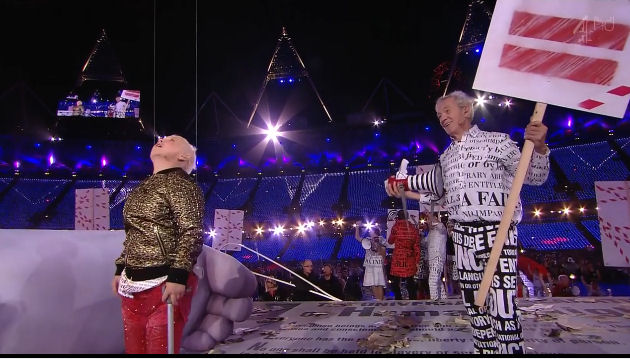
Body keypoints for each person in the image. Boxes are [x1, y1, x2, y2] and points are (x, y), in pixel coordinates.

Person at [386, 90, 549, 354]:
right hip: (462, 239)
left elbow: (534, 176)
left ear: (466, 110)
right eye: (439, 115)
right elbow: (434, 187)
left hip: (497, 235)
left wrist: (540, 147)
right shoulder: (447, 157)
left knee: (503, 308)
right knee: (475, 309)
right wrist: (400, 184)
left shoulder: (499, 143)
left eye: (447, 111)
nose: (442, 118)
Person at [111, 134, 204, 354]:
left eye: (171, 139)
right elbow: (134, 234)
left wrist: (179, 274)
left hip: (165, 283)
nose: (162, 138)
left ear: (183, 156)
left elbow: (191, 231)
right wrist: (121, 268)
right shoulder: (141, 188)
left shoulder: (183, 185)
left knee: (160, 349)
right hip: (133, 285)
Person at [387, 210, 421, 300]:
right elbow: (417, 246)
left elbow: (390, 241)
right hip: (409, 257)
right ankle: (413, 300)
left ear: (398, 217)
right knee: (410, 280)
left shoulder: (396, 227)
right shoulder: (413, 228)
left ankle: (398, 299)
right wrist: (417, 261)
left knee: (396, 281)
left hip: (398, 257)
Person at [354, 222, 387, 300]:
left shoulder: (381, 239)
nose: (369, 231)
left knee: (379, 283)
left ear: (375, 232)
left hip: (378, 264)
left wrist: (377, 243)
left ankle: (381, 300)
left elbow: (383, 252)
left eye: (371, 230)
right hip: (369, 264)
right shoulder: (367, 240)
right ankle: (378, 300)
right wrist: (357, 226)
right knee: (372, 283)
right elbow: (357, 237)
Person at [426, 213, 448, 300]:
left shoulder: (441, 228)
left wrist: (430, 215)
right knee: (437, 280)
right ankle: (443, 298)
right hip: (431, 259)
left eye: (428, 219)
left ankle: (434, 300)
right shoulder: (430, 232)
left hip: (438, 257)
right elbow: (425, 242)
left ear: (434, 218)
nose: (427, 221)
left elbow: (440, 225)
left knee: (432, 280)